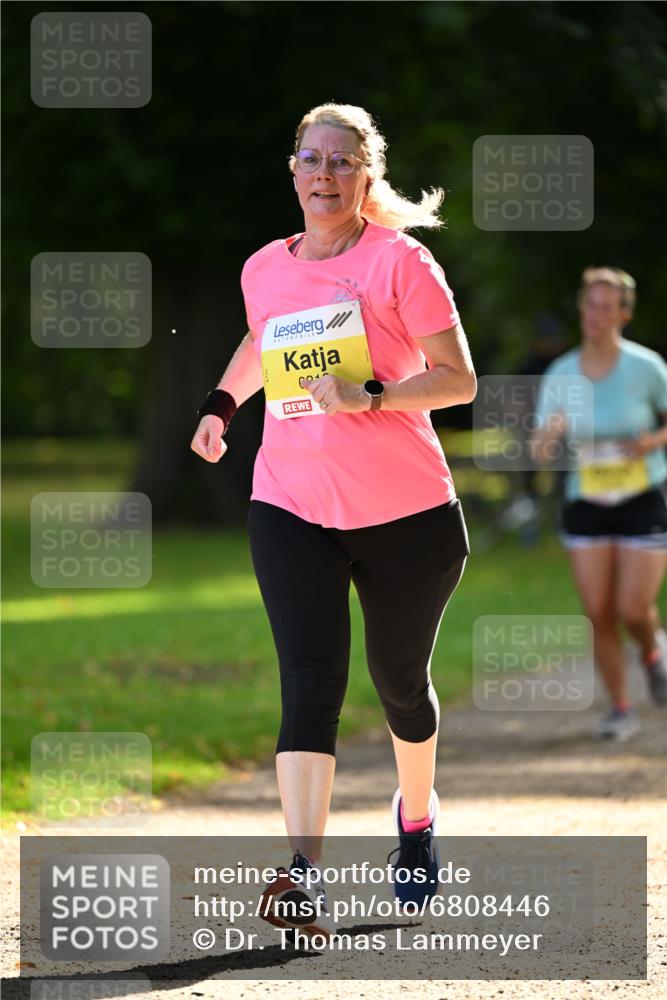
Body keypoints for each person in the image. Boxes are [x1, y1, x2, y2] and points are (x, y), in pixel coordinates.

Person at [190, 103, 475, 936]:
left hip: (407, 516)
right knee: (308, 686)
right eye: (310, 159)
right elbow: (261, 339)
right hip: (291, 505)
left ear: (366, 176)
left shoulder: (402, 262)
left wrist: (372, 395)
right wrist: (221, 403)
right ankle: (304, 873)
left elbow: (458, 381)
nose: (323, 174)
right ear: (292, 170)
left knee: (399, 686)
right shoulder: (264, 267)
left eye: (341, 163)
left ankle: (415, 824)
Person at [532, 267, 667, 741]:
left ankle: (653, 653)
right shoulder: (563, 372)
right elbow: (540, 445)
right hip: (586, 500)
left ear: (624, 314)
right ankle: (621, 707)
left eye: (607, 306)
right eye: (590, 304)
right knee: (598, 610)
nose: (596, 314)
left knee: (633, 608)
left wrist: (651, 441)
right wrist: (548, 437)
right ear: (581, 310)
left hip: (641, 497)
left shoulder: (646, 367)